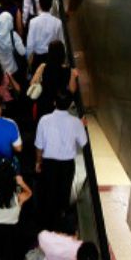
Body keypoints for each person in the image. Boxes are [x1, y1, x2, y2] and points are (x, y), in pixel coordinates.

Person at [35, 92, 88, 231]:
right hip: (67, 164)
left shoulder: (44, 120)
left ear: (54, 102)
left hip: (49, 163)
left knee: (48, 192)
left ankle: (48, 224)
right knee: (64, 194)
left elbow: (39, 146)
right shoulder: (76, 122)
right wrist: (80, 126)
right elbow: (83, 142)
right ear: (70, 104)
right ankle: (61, 222)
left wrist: (38, 162)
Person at [30, 40, 79, 120]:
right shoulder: (68, 70)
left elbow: (32, 83)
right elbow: (72, 90)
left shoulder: (43, 67)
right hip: (59, 107)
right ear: (63, 53)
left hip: (43, 106)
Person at [26, 0, 64, 72]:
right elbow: (61, 42)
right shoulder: (58, 22)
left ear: (39, 5)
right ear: (51, 6)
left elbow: (30, 44)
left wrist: (28, 61)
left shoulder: (33, 22)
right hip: (53, 58)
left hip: (38, 58)